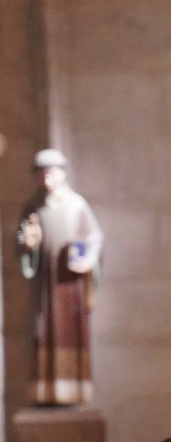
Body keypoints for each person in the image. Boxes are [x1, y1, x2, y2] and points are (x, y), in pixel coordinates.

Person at [17, 148, 104, 405]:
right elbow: (24, 241)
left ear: (62, 174)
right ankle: (45, 391)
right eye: (42, 174)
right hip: (46, 285)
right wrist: (29, 245)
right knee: (43, 330)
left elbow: (94, 237)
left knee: (71, 331)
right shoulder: (33, 207)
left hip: (70, 284)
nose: (47, 179)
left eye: (51, 173)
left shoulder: (76, 205)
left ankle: (73, 389)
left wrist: (86, 257)